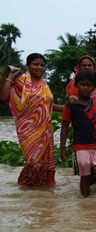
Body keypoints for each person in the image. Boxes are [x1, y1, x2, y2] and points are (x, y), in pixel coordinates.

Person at [0, 53, 62, 186]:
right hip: (27, 129)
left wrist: (69, 108)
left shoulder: (45, 84)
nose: (39, 67)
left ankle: (39, 194)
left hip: (45, 129)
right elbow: (4, 97)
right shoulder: (20, 80)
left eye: (42, 65)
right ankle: (23, 186)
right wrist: (10, 76)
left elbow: (49, 105)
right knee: (33, 162)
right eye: (35, 64)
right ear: (28, 66)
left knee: (46, 165)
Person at [60, 71, 96, 197]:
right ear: (77, 85)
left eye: (89, 85)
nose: (85, 87)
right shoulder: (70, 106)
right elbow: (65, 126)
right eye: (82, 84)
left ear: (93, 87)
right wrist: (62, 147)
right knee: (85, 175)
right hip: (80, 146)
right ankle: (85, 203)